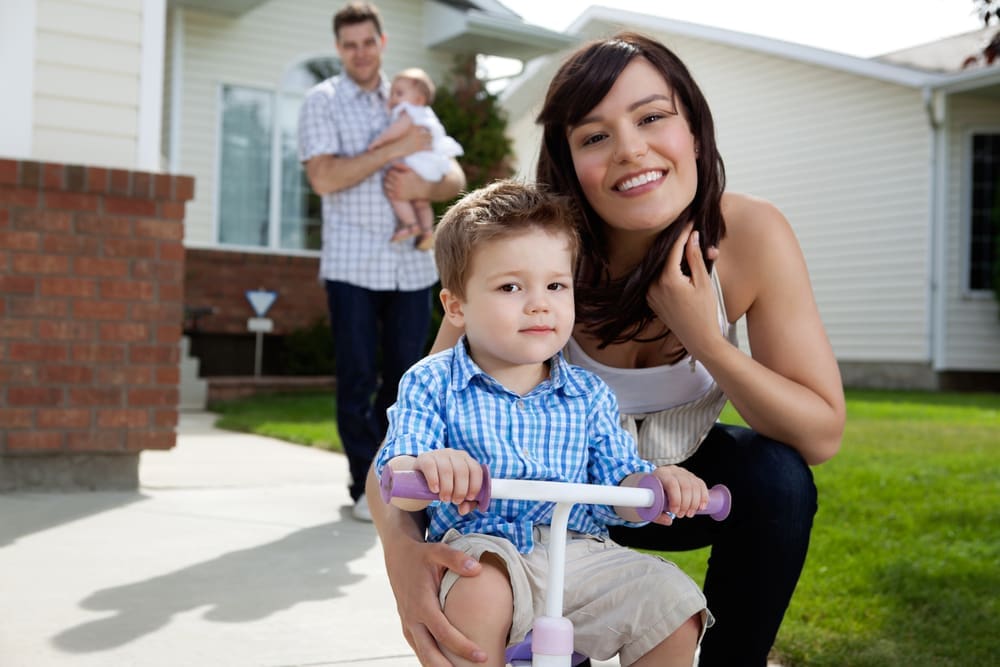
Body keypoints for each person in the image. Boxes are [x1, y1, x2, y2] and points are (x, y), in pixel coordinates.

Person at [367, 31, 847, 666]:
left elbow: (819, 436)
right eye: (595, 136)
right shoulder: (531, 254)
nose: (630, 150)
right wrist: (404, 563)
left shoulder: (750, 235)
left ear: (694, 131)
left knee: (778, 479)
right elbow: (415, 420)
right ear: (569, 163)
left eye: (652, 117)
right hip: (525, 502)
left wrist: (707, 339)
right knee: (501, 592)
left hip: (658, 494)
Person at [375, 179, 712, 667]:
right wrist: (429, 466)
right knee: (478, 590)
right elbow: (398, 479)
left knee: (673, 606)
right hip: (485, 549)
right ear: (456, 306)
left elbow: (622, 481)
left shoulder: (588, 393)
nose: (539, 303)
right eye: (511, 287)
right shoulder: (433, 381)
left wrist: (656, 486)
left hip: (579, 553)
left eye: (556, 285)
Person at [298, 1, 466, 522]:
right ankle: (362, 486)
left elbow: (455, 178)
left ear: (382, 42)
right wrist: (388, 155)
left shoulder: (410, 97)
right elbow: (324, 177)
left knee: (405, 378)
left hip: (411, 267)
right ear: (339, 48)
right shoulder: (321, 101)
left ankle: (398, 482)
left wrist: (423, 184)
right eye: (349, 45)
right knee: (355, 377)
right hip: (353, 263)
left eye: (368, 42)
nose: (360, 52)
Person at [369, 68, 463, 250]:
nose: (393, 98)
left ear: (418, 99)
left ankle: (410, 224)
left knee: (395, 188)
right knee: (421, 201)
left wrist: (380, 140)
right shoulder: (428, 114)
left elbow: (398, 129)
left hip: (417, 164)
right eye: (392, 94)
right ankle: (427, 231)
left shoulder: (408, 111)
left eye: (399, 93)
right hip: (434, 166)